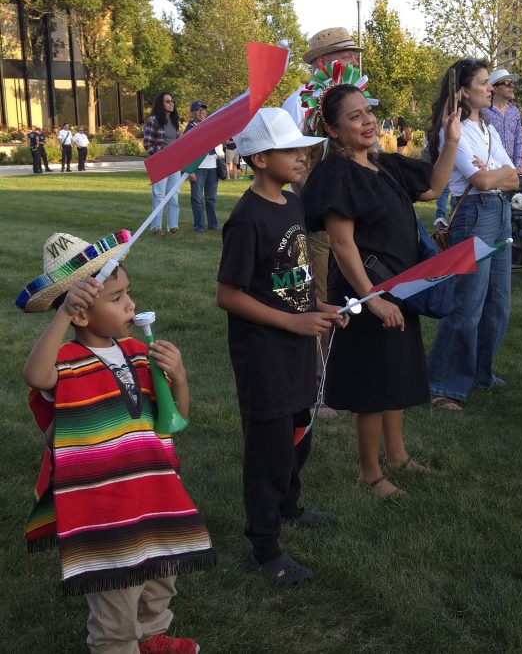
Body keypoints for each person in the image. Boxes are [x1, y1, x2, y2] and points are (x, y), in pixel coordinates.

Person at [17, 229, 215, 654]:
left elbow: (174, 418)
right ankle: (118, 644)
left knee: (161, 575)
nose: (131, 304)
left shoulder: (138, 351)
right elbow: (35, 376)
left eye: (130, 292)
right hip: (103, 506)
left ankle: (150, 636)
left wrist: (178, 376)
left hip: (153, 491)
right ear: (82, 316)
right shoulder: (65, 363)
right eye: (117, 297)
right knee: (116, 599)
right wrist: (63, 314)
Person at [301, 81, 460, 497]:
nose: (367, 121)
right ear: (333, 131)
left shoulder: (382, 165)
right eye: (354, 117)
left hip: (399, 288)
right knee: (373, 385)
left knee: (396, 375)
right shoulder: (338, 173)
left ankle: (398, 455)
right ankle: (370, 473)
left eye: (367, 112)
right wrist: (371, 301)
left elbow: (434, 188)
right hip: (365, 292)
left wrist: (452, 139)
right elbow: (342, 243)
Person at [217, 108, 346, 586]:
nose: (302, 155)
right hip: (264, 353)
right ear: (258, 159)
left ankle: (290, 506)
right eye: (290, 150)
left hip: (297, 344)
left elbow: (297, 275)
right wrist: (293, 323)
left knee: (301, 427)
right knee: (268, 448)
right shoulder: (246, 219)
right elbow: (228, 295)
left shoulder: (292, 202)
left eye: (301, 148)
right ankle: (265, 546)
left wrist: (321, 307)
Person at [425, 59, 519, 411]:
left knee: (498, 304)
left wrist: (497, 173)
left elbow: (516, 176)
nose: (491, 87)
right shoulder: (454, 130)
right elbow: (480, 181)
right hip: (476, 214)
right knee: (468, 304)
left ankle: (480, 372)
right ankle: (443, 385)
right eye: (484, 82)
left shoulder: (490, 130)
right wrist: (497, 173)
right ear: (464, 91)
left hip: (500, 211)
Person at [282, 28, 364, 417]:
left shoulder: (352, 98)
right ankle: (316, 384)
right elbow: (290, 160)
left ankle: (337, 376)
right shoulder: (299, 102)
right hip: (317, 221)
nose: (352, 61)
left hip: (350, 218)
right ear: (320, 63)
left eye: (352, 54)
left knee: (347, 294)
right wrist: (317, 196)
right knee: (319, 297)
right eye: (344, 55)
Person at [143, 92, 183, 236]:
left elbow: (178, 141)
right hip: (160, 163)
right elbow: (147, 143)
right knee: (159, 195)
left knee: (174, 195)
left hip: (175, 163)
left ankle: (173, 226)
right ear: (161, 104)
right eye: (167, 101)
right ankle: (156, 227)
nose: (171, 103)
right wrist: (158, 157)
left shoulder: (174, 120)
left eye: (172, 101)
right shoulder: (153, 120)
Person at [184, 101, 220, 232]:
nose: (201, 112)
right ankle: (199, 226)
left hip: (212, 166)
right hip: (198, 167)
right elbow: (185, 151)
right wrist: (189, 170)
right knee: (197, 198)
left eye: (203, 109)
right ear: (192, 113)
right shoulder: (189, 129)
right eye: (198, 110)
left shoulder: (210, 125)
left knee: (211, 198)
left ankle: (213, 225)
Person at [481, 68, 522, 172]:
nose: (511, 86)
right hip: (490, 167)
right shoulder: (482, 111)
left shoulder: (514, 111)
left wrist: (519, 164)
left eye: (512, 83)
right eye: (506, 83)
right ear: (494, 88)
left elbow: (519, 139)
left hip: (512, 168)